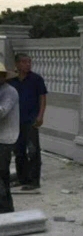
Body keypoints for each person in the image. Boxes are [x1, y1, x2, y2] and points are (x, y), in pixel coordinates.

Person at [8, 53, 47, 191]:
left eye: (29, 62)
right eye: (24, 62)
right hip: (15, 121)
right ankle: (21, 178)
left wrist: (40, 115)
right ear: (17, 64)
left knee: (33, 151)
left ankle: (34, 181)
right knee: (19, 151)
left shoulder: (36, 79)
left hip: (31, 120)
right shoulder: (11, 80)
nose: (28, 65)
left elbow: (42, 98)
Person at [0, 62, 20, 213]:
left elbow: (2, 112)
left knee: (2, 174)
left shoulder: (9, 91)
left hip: (6, 139)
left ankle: (5, 208)